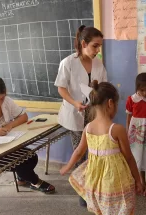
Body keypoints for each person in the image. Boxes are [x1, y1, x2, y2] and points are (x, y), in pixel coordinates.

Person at [60, 81, 142, 215]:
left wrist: (68, 166)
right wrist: (138, 180)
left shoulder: (88, 128)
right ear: (110, 103)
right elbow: (129, 158)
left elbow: (79, 151)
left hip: (95, 184)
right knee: (120, 209)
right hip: (115, 182)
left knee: (103, 210)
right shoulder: (117, 129)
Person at [54, 25, 107, 206]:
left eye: (100, 46)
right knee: (80, 152)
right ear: (83, 43)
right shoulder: (68, 63)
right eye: (95, 46)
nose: (97, 50)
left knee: (94, 151)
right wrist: (75, 102)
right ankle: (82, 191)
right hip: (75, 113)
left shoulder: (98, 63)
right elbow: (61, 88)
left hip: (92, 113)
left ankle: (93, 186)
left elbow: (102, 86)